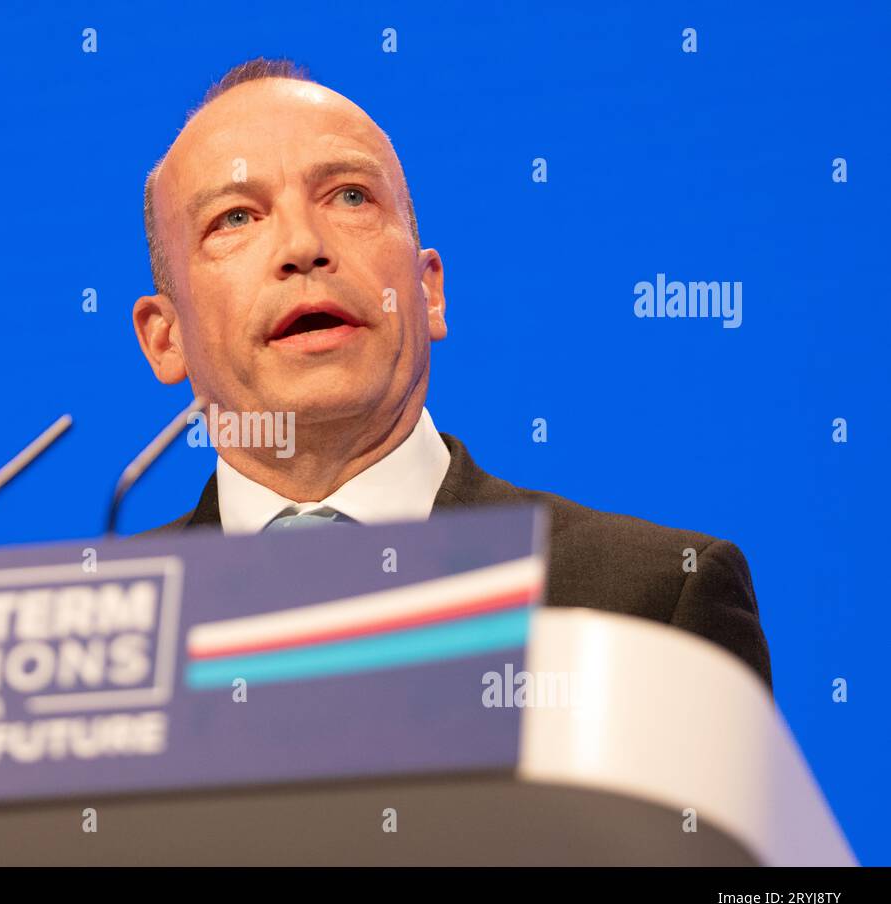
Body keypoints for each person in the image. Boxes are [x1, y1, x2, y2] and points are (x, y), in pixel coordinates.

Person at [130, 58, 771, 689]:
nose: (303, 246)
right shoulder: (90, 638)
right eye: (235, 218)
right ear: (166, 338)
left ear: (429, 291)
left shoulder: (649, 609)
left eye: (349, 196)